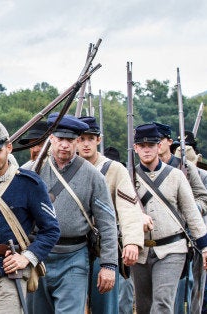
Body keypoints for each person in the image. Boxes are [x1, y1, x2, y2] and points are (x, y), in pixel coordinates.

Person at [27, 113, 117, 314]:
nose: (64, 145)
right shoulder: (30, 171)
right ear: (51, 139)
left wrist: (109, 265)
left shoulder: (93, 176)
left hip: (74, 257)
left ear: (77, 141)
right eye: (60, 139)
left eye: (70, 140)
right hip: (37, 255)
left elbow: (107, 223)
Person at [0, 120, 60, 313]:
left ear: (8, 147)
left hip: (11, 271)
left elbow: (50, 230)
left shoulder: (30, 184)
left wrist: (26, 258)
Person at [130, 123, 207, 313]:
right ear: (135, 148)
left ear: (159, 146)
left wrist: (205, 245)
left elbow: (192, 212)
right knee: (143, 306)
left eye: (151, 145)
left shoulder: (176, 175)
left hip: (172, 248)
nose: (147, 149)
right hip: (140, 251)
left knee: (163, 303)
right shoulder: (128, 176)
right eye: (142, 145)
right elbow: (121, 211)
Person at [77, 116, 146, 314]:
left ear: (99, 140)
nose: (86, 143)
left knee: (105, 305)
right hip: (73, 246)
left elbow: (129, 207)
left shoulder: (115, 169)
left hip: (103, 245)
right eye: (81, 138)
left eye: (90, 138)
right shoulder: (68, 168)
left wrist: (132, 241)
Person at [154, 122, 207, 314]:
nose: (155, 145)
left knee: (197, 287)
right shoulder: (143, 170)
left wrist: (190, 209)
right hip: (166, 238)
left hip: (194, 234)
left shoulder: (187, 169)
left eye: (158, 140)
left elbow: (204, 199)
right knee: (166, 294)